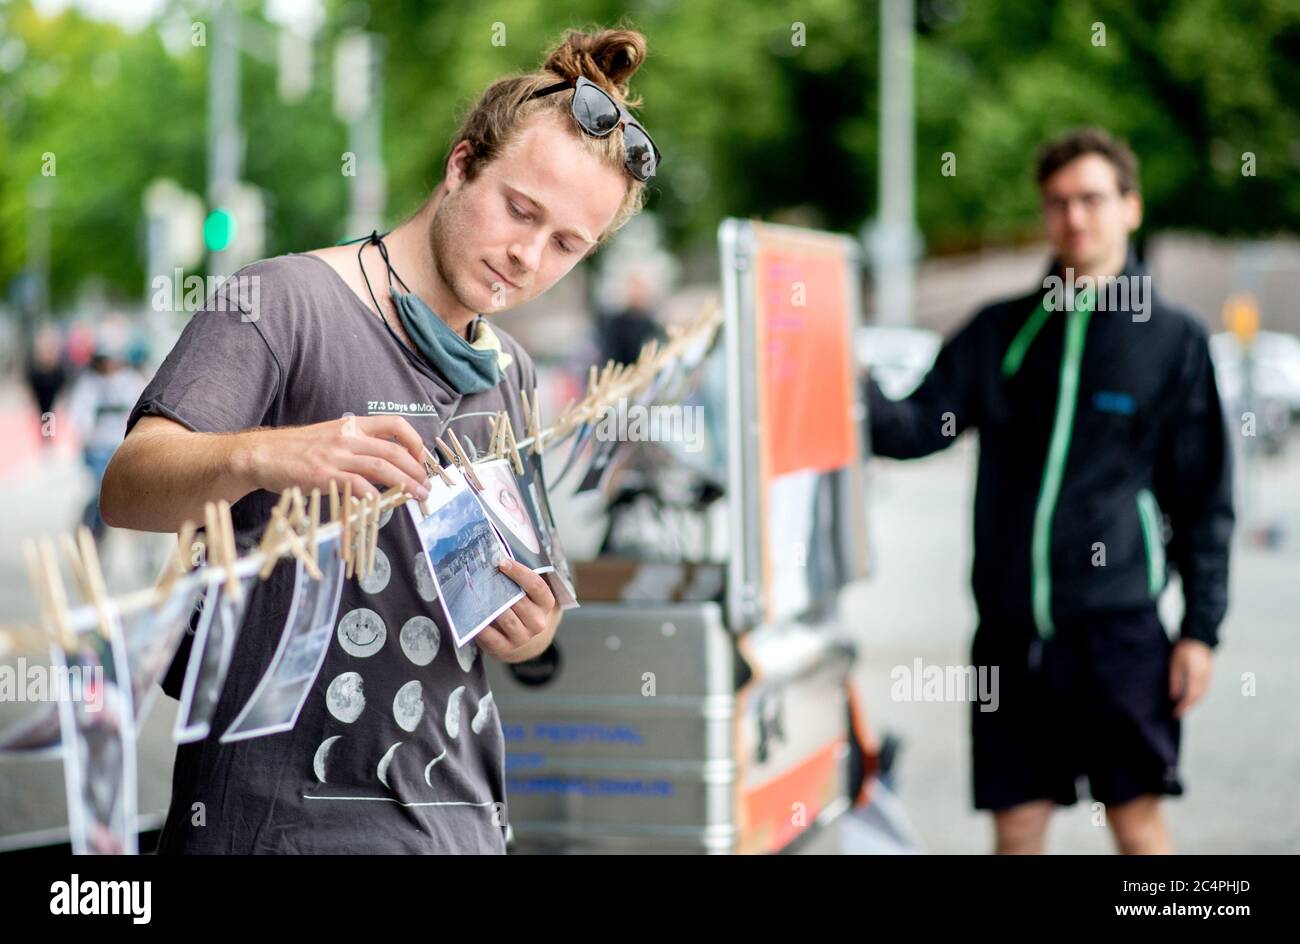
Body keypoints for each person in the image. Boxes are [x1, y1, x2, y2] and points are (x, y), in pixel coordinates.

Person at [101, 27, 658, 854]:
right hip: (279, 821)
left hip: (456, 815)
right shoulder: (281, 301)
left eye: (566, 244)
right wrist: (268, 453)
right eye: (519, 209)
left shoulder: (511, 370)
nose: (527, 255)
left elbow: (522, 599)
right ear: (461, 164)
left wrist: (533, 629)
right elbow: (126, 488)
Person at [866, 128, 1233, 854]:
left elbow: (1204, 497)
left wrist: (1201, 630)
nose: (1075, 218)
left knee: (1136, 825)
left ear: (1130, 207)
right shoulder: (1002, 332)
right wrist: (834, 371)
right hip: (1009, 636)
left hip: (1119, 633)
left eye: (1092, 199)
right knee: (1019, 828)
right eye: (1058, 203)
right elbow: (915, 428)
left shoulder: (1173, 340)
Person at [67, 349, 146, 542]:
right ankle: (92, 536)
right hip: (98, 449)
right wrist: (85, 436)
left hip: (124, 448)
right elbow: (79, 416)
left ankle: (144, 543)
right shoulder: (88, 384)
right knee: (101, 494)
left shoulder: (131, 381)